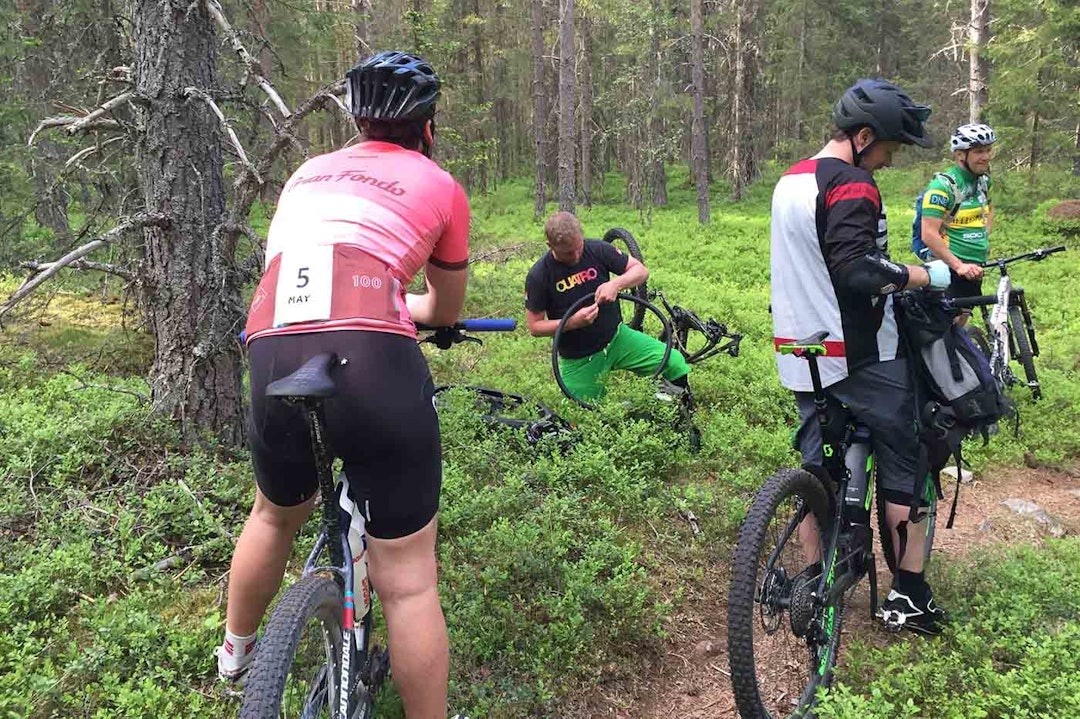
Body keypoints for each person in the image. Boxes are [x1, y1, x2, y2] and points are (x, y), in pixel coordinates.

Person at [217, 51, 469, 719]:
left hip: (272, 344)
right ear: (428, 125)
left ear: (357, 121)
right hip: (373, 358)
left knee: (273, 512)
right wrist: (404, 306)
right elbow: (443, 309)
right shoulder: (438, 183)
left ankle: (236, 655)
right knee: (409, 582)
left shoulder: (304, 173)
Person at [770, 78, 952, 635]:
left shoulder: (791, 179)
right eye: (888, 150)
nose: (888, 162)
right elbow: (857, 269)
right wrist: (924, 274)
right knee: (910, 453)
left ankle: (812, 577)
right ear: (863, 136)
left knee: (817, 467)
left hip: (801, 348)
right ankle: (909, 596)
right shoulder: (852, 183)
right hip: (863, 354)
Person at [524, 213, 695, 425]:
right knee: (580, 421)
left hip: (617, 338)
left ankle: (678, 419)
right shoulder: (539, 275)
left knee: (674, 362)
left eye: (579, 247)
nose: (577, 255)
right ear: (550, 245)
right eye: (569, 253)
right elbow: (534, 326)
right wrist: (573, 322)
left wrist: (616, 284)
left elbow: (640, 271)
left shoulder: (596, 249)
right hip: (579, 357)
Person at [916, 123, 996, 312]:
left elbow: (989, 210)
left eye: (988, 150)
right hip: (949, 268)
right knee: (947, 329)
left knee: (963, 321)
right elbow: (928, 234)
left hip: (974, 267)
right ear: (960, 154)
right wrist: (959, 265)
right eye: (978, 152)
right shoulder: (942, 187)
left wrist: (983, 238)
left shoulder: (983, 181)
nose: (985, 157)